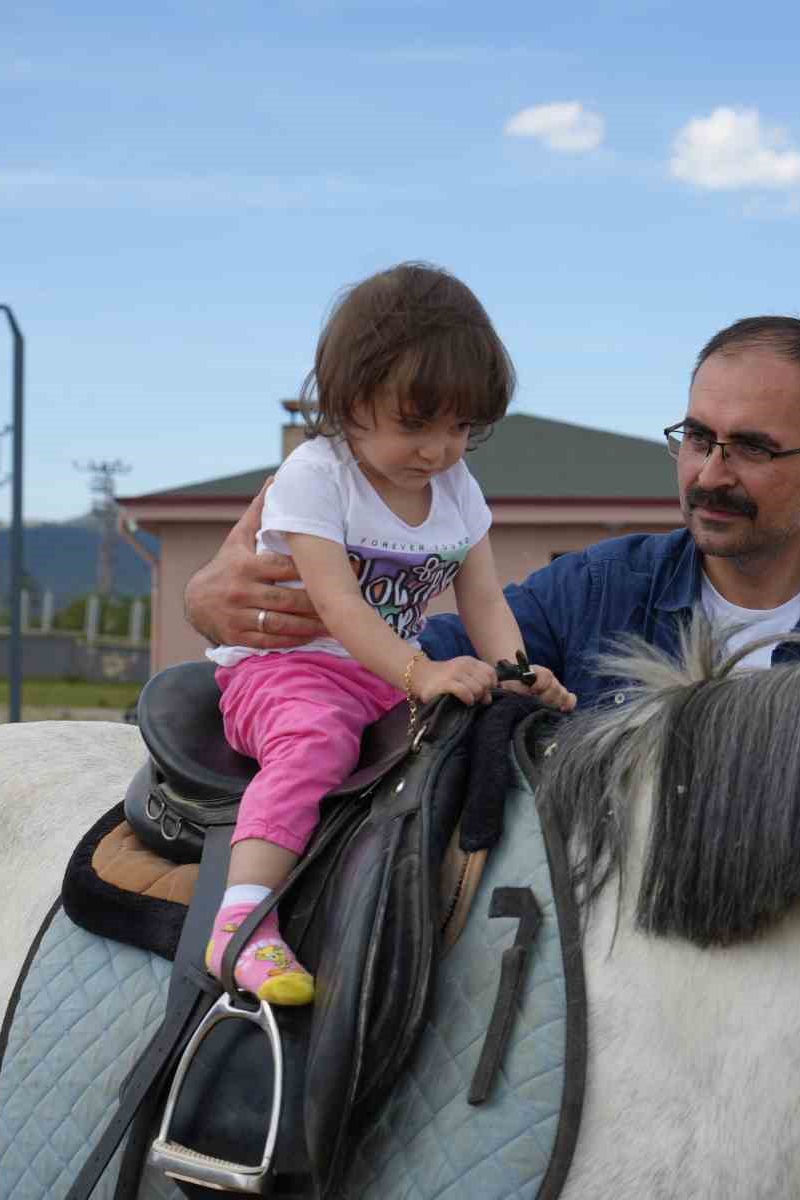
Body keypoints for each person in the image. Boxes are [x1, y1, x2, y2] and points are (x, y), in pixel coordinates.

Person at [185, 315, 800, 713]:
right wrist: (225, 609)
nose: (710, 474)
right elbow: (419, 652)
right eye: (697, 438)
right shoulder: (592, 592)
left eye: (753, 448)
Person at [203, 262, 575, 1006]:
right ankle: (241, 920)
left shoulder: (457, 492)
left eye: (461, 427)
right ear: (350, 400)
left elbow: (484, 599)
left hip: (384, 677)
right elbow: (338, 605)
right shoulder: (317, 475)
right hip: (289, 669)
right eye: (415, 423)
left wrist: (513, 672)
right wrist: (423, 672)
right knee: (314, 739)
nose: (438, 449)